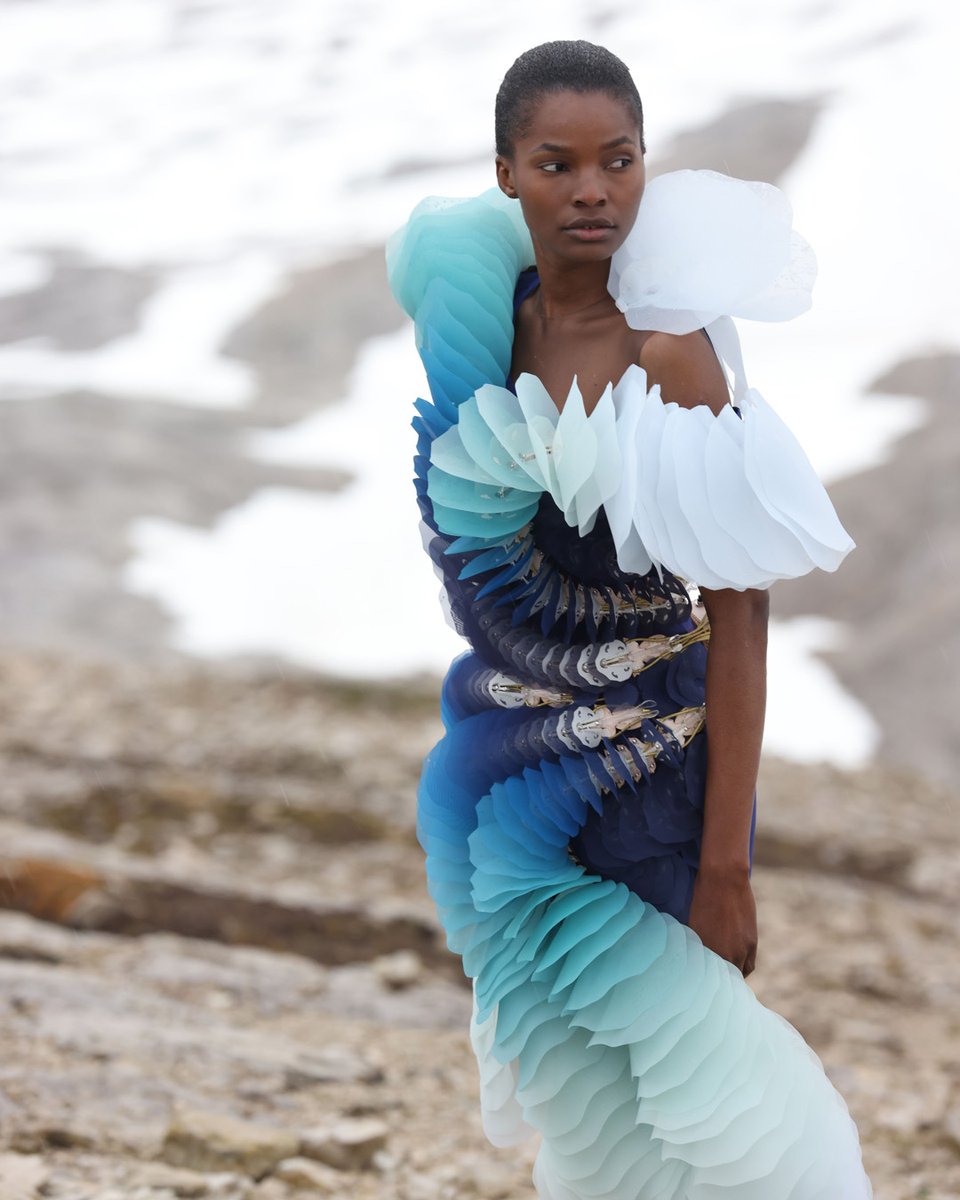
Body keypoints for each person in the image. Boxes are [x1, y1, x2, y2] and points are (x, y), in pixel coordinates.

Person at [388, 39, 873, 1200]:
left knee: (703, 1116)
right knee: (595, 1112)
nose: (593, 189)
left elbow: (740, 618)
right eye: (558, 163)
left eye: (620, 159)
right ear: (507, 173)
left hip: (658, 786)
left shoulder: (673, 355)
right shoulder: (480, 316)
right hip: (510, 772)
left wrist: (727, 866)